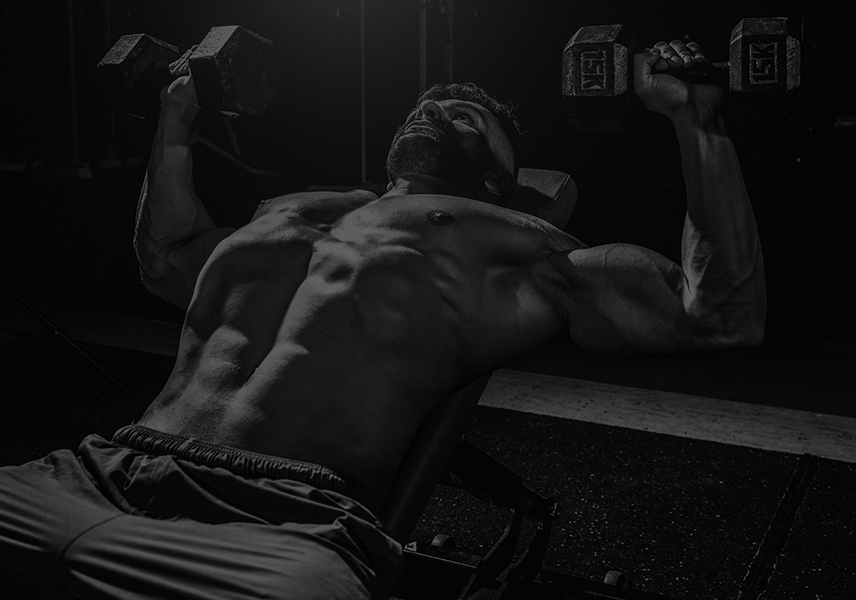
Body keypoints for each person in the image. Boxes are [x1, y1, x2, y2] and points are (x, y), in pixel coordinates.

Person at [0, 37, 765, 600]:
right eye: (433, 102)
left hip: (276, 529)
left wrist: (696, 124)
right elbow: (166, 259)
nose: (439, 106)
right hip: (98, 472)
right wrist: (174, 117)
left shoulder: (514, 246)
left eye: (468, 115)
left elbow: (720, 313)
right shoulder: (287, 211)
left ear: (501, 179)